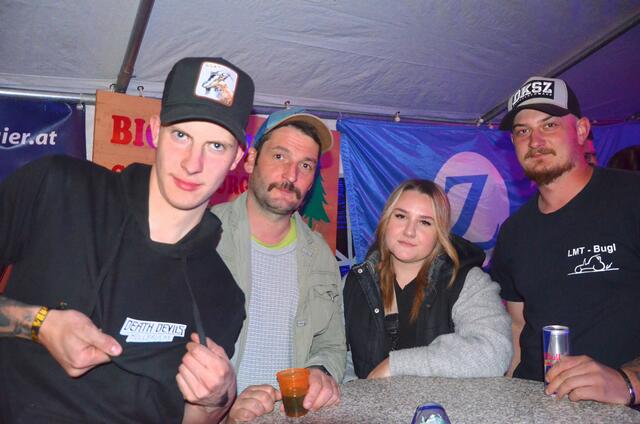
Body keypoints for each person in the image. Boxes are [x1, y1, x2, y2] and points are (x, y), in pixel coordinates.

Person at [0, 57, 255, 423]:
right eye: (181, 136)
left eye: (216, 146)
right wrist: (39, 324)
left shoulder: (223, 294)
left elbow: (191, 418)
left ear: (236, 159)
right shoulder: (58, 187)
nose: (192, 163)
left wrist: (217, 399)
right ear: (155, 130)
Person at [492, 76, 640, 407]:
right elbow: (518, 326)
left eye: (549, 125)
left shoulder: (632, 198)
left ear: (582, 130)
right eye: (522, 131)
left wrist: (629, 382)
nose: (535, 140)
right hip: (534, 406)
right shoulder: (514, 231)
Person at [211, 107, 345, 422]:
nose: (291, 175)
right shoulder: (204, 239)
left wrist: (320, 371)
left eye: (306, 165)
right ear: (250, 160)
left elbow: (332, 344)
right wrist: (221, 410)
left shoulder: (320, 255)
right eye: (280, 156)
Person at [343, 179, 512, 380]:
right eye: (401, 216)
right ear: (386, 220)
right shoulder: (355, 282)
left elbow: (494, 352)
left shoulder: (467, 282)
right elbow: (342, 359)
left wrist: (396, 365)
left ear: (440, 234)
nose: (409, 231)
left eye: (425, 222)